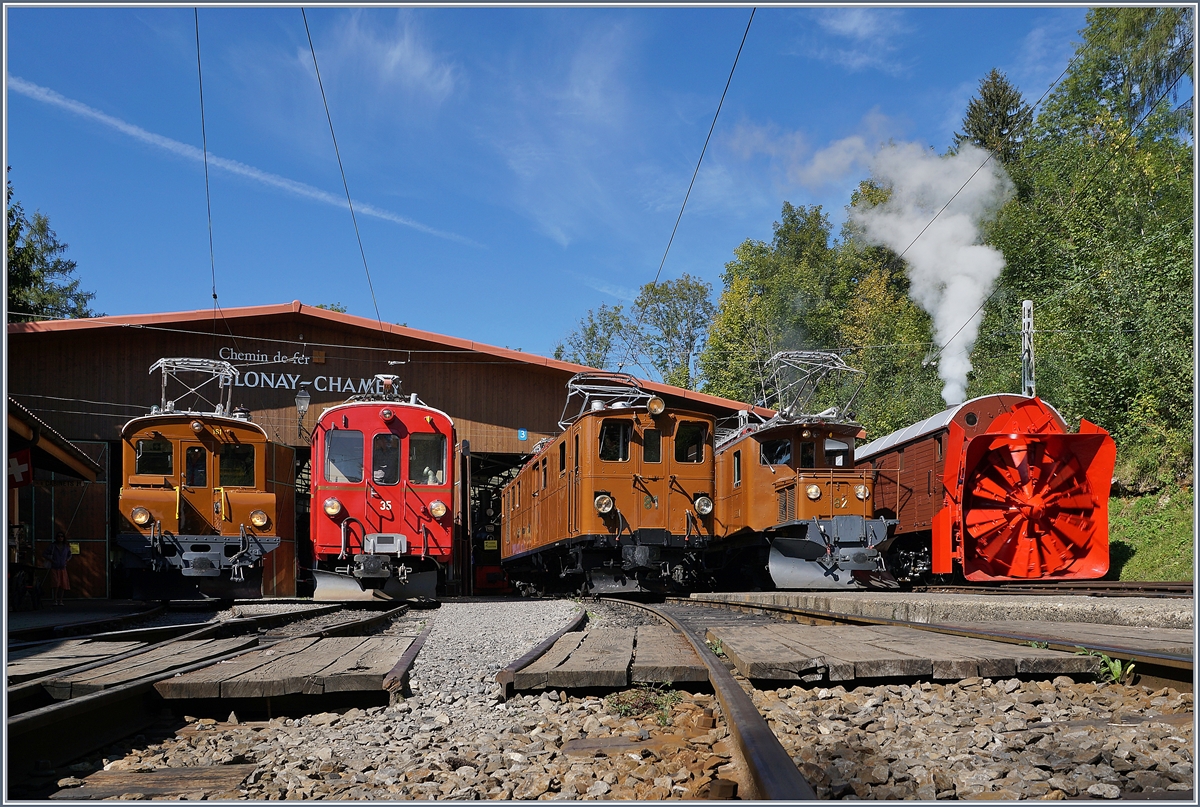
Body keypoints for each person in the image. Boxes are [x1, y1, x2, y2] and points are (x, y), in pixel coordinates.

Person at [45, 531, 72, 606]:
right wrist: (51, 560)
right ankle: (55, 599)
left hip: (62, 567)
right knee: (56, 584)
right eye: (59, 536)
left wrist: (67, 559)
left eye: (62, 536)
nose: (60, 538)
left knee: (63, 585)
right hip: (54, 567)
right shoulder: (52, 546)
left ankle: (60, 600)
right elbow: (44, 553)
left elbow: (70, 554)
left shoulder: (66, 547)